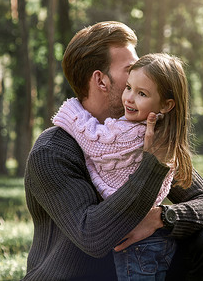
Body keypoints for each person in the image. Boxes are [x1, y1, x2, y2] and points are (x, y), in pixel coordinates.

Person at [23, 21, 203, 281]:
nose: (140, 76)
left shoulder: (143, 133)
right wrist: (152, 164)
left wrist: (162, 216)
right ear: (100, 80)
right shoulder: (52, 151)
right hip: (73, 275)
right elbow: (93, 236)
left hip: (132, 270)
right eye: (130, 70)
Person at [52, 53, 193, 280]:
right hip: (156, 240)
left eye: (142, 94)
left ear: (167, 105)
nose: (129, 98)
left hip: (136, 246)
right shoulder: (165, 135)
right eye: (129, 87)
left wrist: (72, 110)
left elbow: (95, 140)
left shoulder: (131, 132)